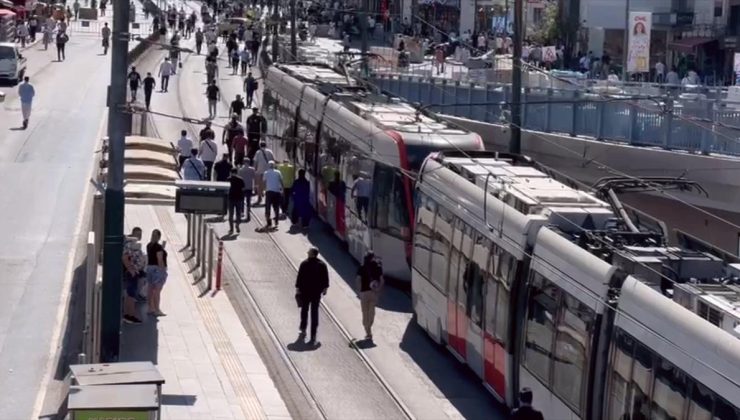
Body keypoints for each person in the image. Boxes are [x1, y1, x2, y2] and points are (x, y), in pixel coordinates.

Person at [295, 247, 329, 344]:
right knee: (314, 313)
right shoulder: (322, 264)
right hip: (315, 293)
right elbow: (325, 278)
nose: (307, 252)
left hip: (306, 292)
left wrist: (298, 289)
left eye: (309, 252)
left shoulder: (304, 264)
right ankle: (313, 335)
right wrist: (325, 288)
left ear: (313, 254)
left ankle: (303, 329)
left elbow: (299, 277)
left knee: (304, 311)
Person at [357, 251, 384, 340]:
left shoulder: (362, 267)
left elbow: (358, 279)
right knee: (372, 312)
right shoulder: (378, 267)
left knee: (365, 312)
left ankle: (368, 332)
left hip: (364, 293)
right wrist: (378, 289)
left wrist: (358, 291)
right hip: (374, 293)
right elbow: (382, 280)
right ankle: (369, 327)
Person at [122, 227, 146, 324]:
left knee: (131, 295)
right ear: (133, 234)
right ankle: (130, 316)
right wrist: (131, 269)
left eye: (140, 234)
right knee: (131, 295)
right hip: (132, 273)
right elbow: (124, 257)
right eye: (137, 234)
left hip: (136, 272)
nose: (139, 236)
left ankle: (129, 315)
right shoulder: (129, 244)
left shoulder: (135, 245)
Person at [145, 229, 168, 317]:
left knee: (150, 289)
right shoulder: (158, 247)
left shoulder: (149, 245)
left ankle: (150, 308)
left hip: (149, 268)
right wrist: (163, 271)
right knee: (157, 290)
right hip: (157, 269)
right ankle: (157, 309)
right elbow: (159, 259)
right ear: (159, 237)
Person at [263, 161, 283, 229]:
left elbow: (264, 181)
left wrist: (263, 190)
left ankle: (269, 222)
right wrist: (282, 190)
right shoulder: (278, 172)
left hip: (269, 192)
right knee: (276, 207)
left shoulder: (266, 173)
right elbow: (281, 181)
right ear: (274, 166)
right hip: (277, 192)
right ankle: (276, 222)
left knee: (268, 207)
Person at [227, 168, 246, 233]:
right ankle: (237, 224)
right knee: (238, 214)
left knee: (231, 214)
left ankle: (231, 229)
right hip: (239, 198)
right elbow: (243, 188)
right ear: (237, 172)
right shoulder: (241, 179)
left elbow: (226, 189)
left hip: (231, 198)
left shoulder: (228, 179)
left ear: (231, 173)